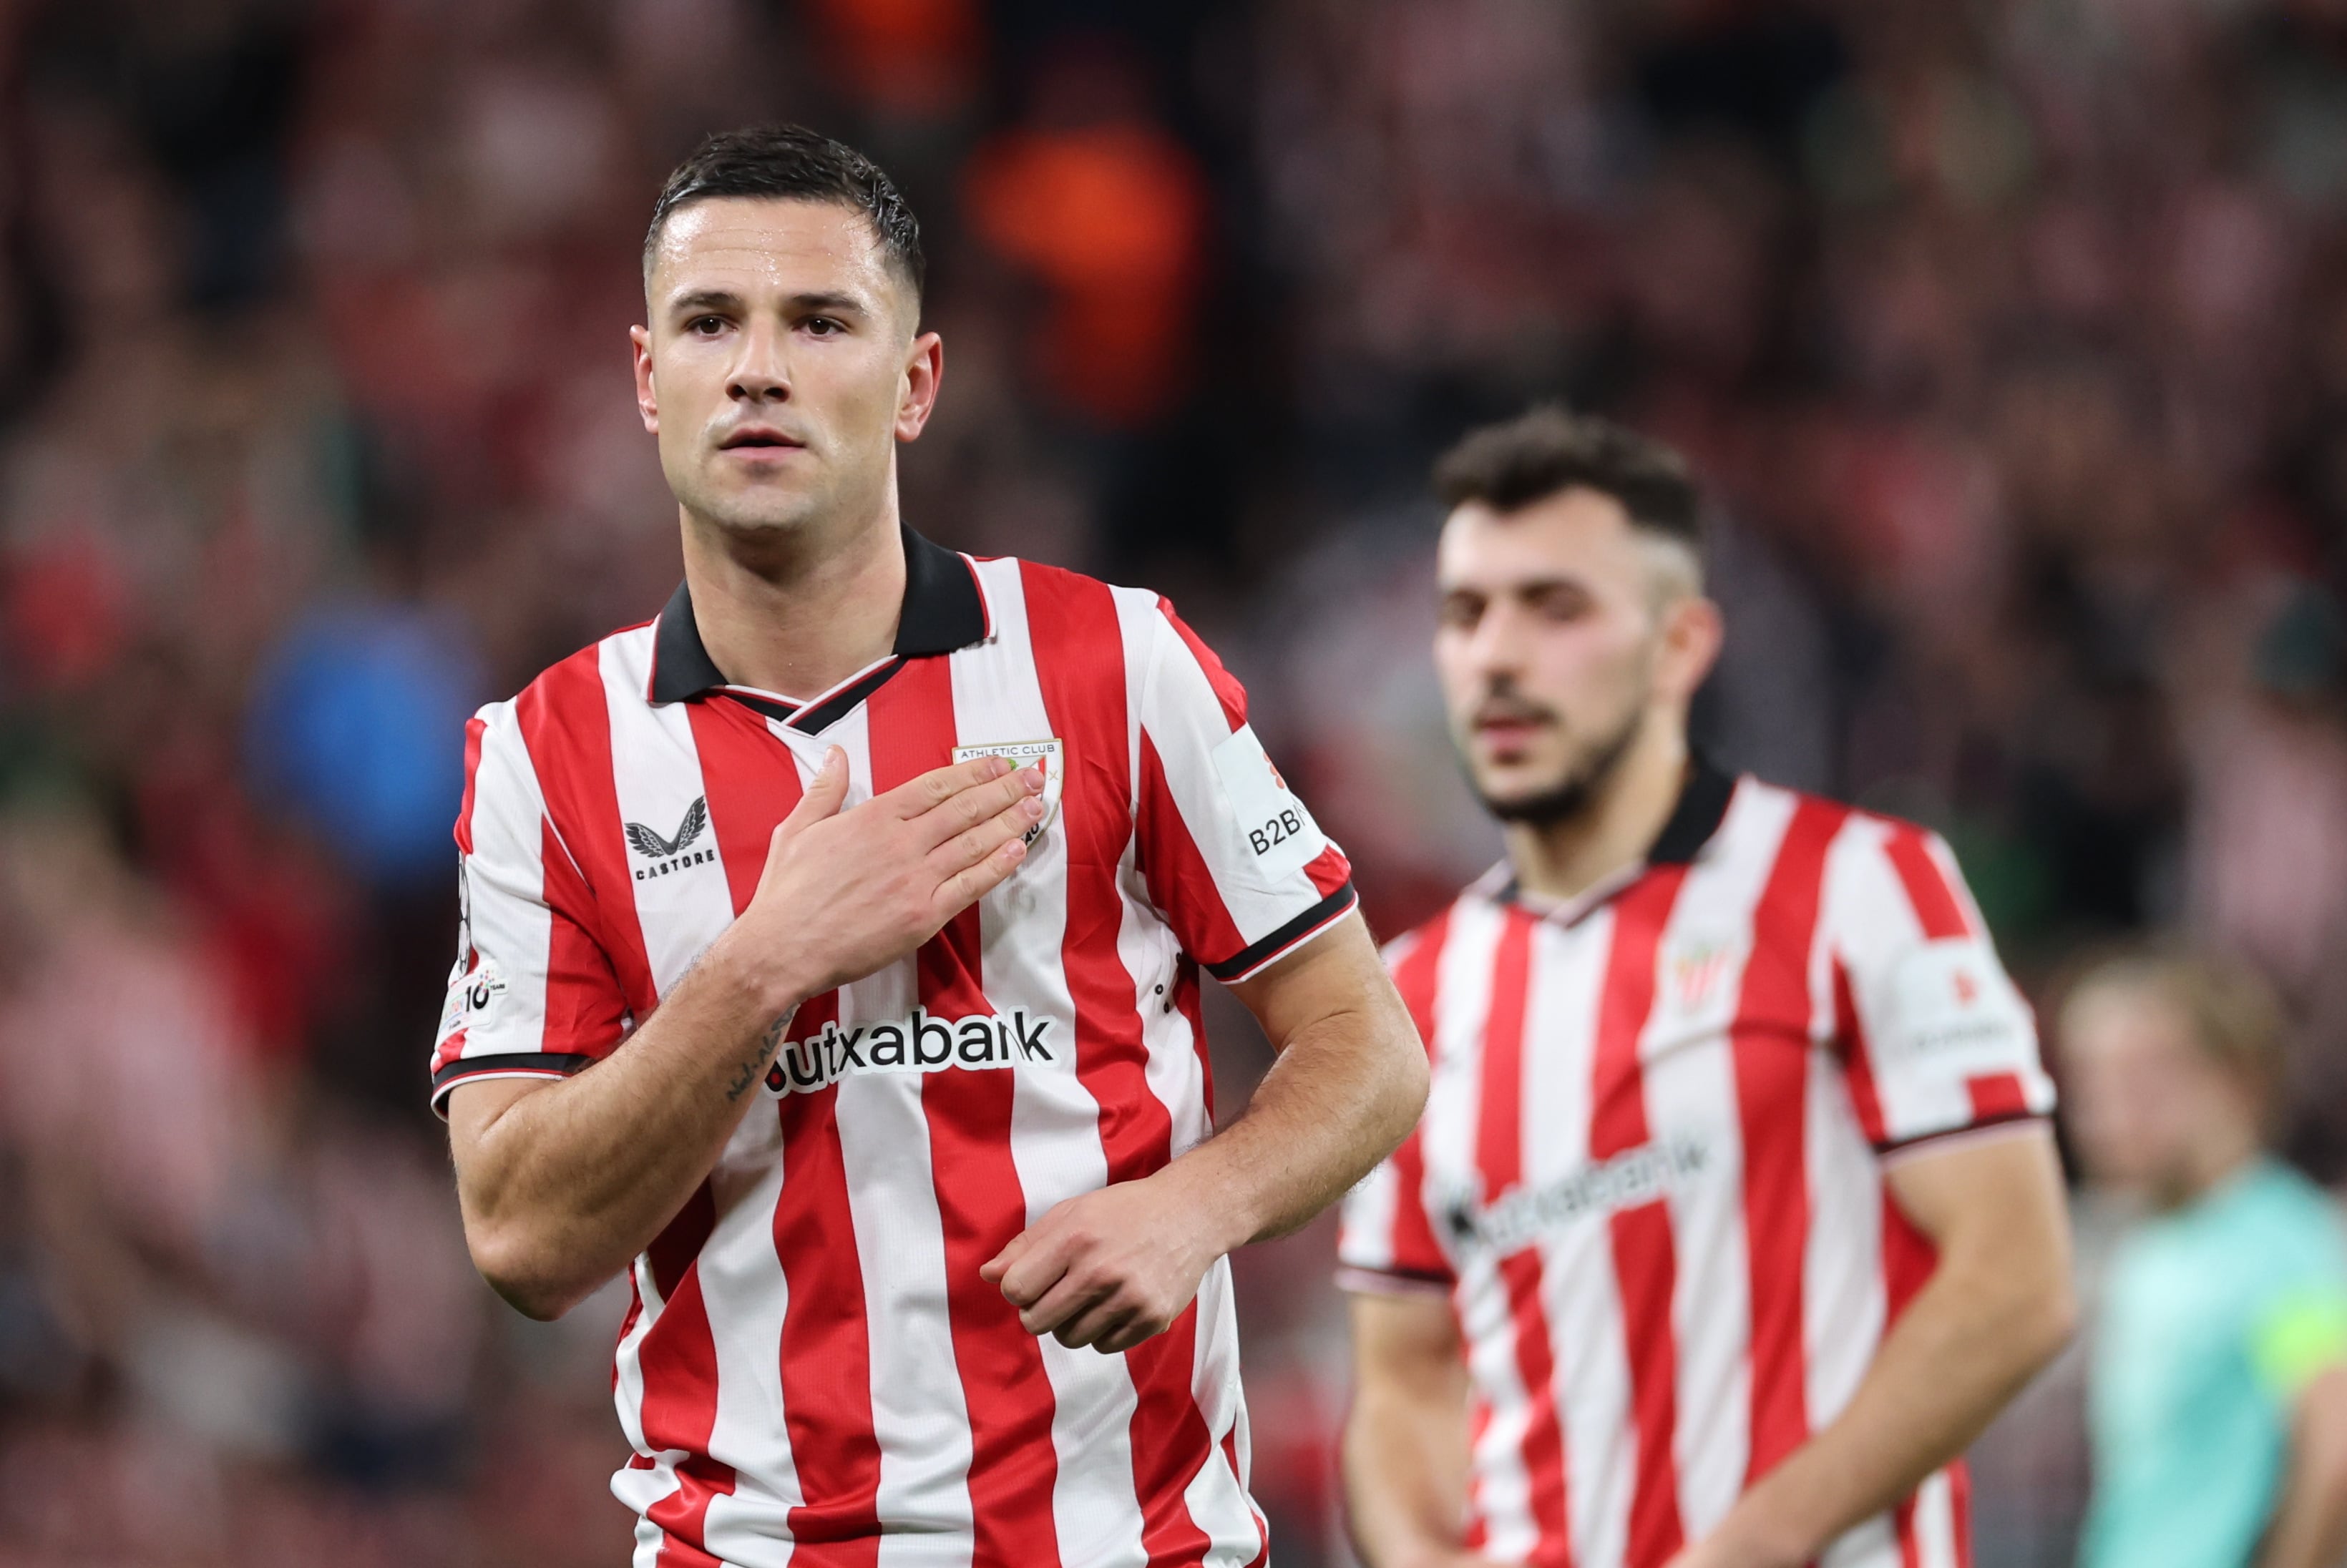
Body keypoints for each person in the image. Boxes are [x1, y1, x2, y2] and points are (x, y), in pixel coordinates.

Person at [431, 124, 1428, 1567]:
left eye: (818, 321)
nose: (757, 366)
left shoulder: (1113, 661)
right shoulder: (546, 750)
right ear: (650, 383)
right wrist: (763, 960)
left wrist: (1191, 1210)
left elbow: (1367, 1047)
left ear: (916, 386)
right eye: (710, 323)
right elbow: (523, 1238)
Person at [1336, 407, 2074, 1568]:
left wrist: (1753, 1542)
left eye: (1557, 607)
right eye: (1466, 614)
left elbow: (2016, 1279)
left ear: (1680, 645)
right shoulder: (1410, 994)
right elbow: (1402, 1382)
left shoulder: (1860, 884)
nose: (1498, 656)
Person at [2063, 951, 2347, 1568]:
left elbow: (2335, 1442)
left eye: (2145, 1079)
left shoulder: (2276, 1247)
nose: (2110, 1112)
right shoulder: (2154, 1240)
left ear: (2239, 1079)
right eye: (2090, 1084)